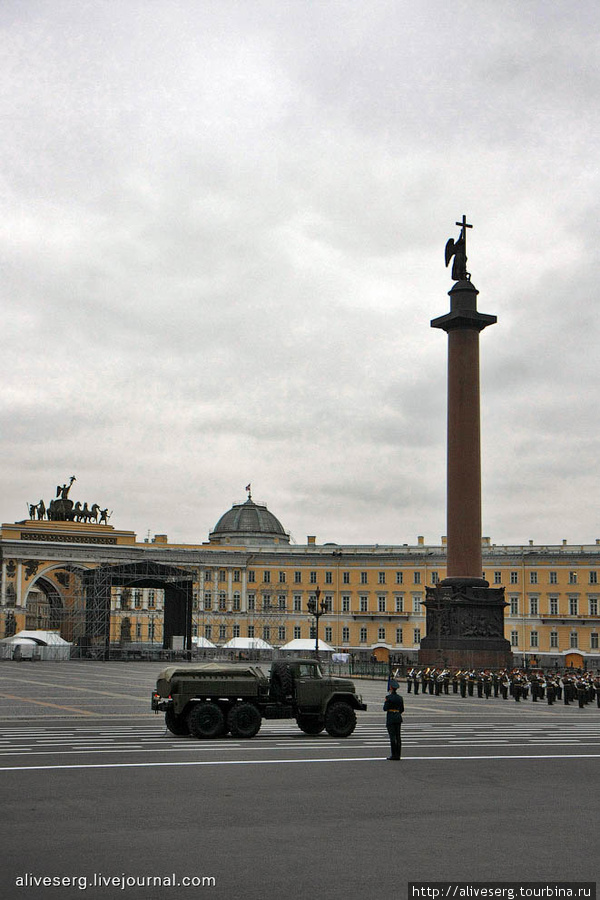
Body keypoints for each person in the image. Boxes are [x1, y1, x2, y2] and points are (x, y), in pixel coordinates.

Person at [383, 679, 404, 760]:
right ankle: (398, 755)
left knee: (392, 737)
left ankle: (393, 755)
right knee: (398, 737)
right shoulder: (400, 698)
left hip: (391, 718)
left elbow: (385, 708)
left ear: (391, 687)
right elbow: (402, 709)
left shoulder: (388, 697)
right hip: (398, 717)